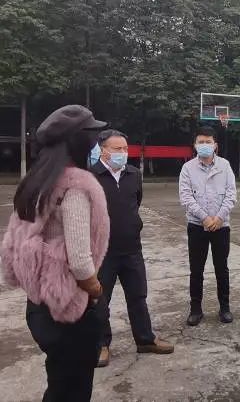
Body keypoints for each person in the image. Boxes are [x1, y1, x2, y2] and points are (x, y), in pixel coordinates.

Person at [1, 105, 109, 401]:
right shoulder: (76, 187)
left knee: (59, 380)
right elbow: (80, 260)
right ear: (79, 140)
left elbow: (12, 240)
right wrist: (96, 291)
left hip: (38, 305)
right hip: (69, 310)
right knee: (75, 388)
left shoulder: (36, 182)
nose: (96, 145)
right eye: (93, 137)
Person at [90, 129, 174, 368]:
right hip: (103, 251)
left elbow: (136, 203)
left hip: (132, 249)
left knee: (138, 296)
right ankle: (101, 344)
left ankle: (145, 339)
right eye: (117, 149)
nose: (123, 153)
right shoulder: (90, 177)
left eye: (125, 149)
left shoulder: (134, 174)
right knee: (100, 300)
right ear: (103, 151)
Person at [179, 126, 238, 326]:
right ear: (195, 145)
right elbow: (186, 197)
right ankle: (195, 309)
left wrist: (219, 218)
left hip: (221, 226)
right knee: (196, 269)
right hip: (197, 226)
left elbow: (231, 194)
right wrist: (204, 218)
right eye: (201, 142)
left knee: (222, 269)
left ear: (215, 145)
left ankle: (225, 308)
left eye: (208, 142)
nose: (204, 145)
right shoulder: (188, 168)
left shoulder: (225, 165)